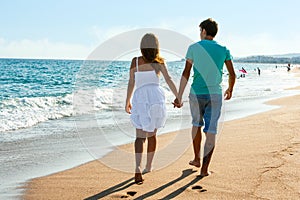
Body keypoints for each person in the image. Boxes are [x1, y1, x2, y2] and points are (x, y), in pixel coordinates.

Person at [173, 18, 236, 177]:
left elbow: (186, 73)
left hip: (197, 93)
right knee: (211, 131)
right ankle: (204, 169)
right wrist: (230, 89)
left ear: (203, 31)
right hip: (215, 93)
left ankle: (196, 159)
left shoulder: (193, 48)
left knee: (196, 124)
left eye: (200, 30)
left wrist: (179, 96)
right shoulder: (224, 49)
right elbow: (232, 74)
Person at [125, 33, 179, 184]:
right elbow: (168, 80)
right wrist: (178, 97)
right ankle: (148, 166)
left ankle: (137, 167)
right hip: (155, 97)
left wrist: (127, 101)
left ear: (142, 47)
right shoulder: (159, 62)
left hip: (140, 98)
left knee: (139, 136)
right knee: (152, 135)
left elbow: (131, 83)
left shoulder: (135, 61)